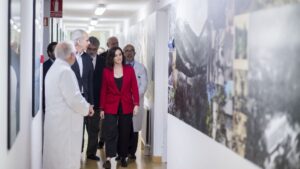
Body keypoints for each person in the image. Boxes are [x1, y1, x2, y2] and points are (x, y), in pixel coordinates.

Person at [43, 41, 94, 169]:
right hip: (65, 124)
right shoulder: (65, 71)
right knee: (65, 159)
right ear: (71, 55)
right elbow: (74, 98)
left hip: (56, 122)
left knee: (55, 157)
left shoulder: (54, 69)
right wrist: (88, 108)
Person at [100, 47, 139, 169]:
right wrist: (101, 108)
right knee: (110, 131)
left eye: (120, 54)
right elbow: (103, 91)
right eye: (115, 55)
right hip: (110, 105)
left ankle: (123, 156)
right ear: (111, 57)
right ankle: (108, 158)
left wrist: (136, 104)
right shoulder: (106, 71)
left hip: (126, 105)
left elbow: (135, 88)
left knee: (124, 132)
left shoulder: (129, 70)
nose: (119, 57)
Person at [70, 29, 99, 161]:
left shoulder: (87, 58)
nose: (88, 43)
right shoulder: (68, 57)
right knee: (76, 129)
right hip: (72, 100)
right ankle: (77, 152)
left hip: (86, 98)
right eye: (86, 40)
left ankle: (90, 153)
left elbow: (91, 82)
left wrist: (91, 102)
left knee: (92, 128)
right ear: (78, 41)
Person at [123, 44, 148, 160]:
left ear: (134, 53)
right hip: (122, 102)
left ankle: (132, 152)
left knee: (134, 129)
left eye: (131, 51)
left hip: (135, 102)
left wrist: (134, 98)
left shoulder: (141, 68)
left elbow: (144, 85)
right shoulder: (119, 67)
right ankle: (122, 152)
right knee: (123, 128)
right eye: (126, 51)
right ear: (123, 53)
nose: (129, 53)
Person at [94, 36, 119, 149]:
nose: (114, 45)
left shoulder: (120, 56)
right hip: (105, 93)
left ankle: (114, 142)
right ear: (108, 45)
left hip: (118, 93)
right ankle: (102, 139)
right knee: (104, 120)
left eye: (116, 43)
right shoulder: (101, 57)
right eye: (112, 43)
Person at [43, 42, 57, 114]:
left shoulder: (65, 65)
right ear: (49, 53)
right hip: (49, 104)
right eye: (55, 50)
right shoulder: (44, 66)